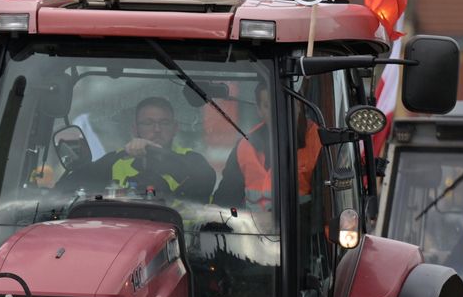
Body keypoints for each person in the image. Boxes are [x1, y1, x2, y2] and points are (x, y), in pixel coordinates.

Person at [61, 97, 215, 201]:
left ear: (175, 128)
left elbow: (206, 180)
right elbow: (67, 187)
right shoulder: (117, 160)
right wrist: (124, 154)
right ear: (135, 129)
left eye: (164, 123)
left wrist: (160, 155)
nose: (157, 129)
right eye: (148, 123)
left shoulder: (192, 160)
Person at [213, 83, 323, 211]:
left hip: (300, 229)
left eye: (283, 103)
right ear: (259, 111)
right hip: (252, 229)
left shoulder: (320, 141)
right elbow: (225, 199)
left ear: (298, 105)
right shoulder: (245, 146)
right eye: (267, 106)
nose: (277, 111)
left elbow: (326, 202)